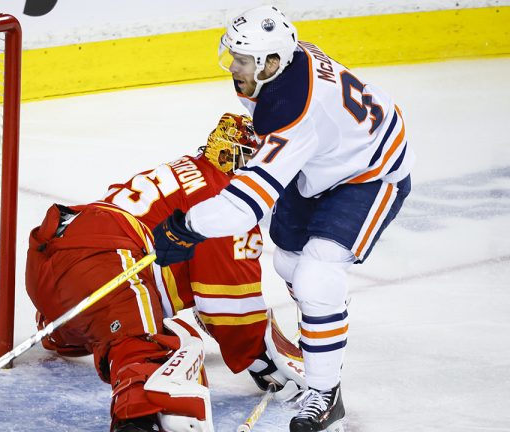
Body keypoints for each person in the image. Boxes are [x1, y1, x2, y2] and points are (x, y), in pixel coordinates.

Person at [151, 6, 414, 432]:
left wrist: (187, 227)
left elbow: (245, 205)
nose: (233, 66)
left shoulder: (294, 107)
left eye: (243, 59)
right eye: (232, 55)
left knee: (316, 276)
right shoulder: (280, 67)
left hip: (371, 173)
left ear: (272, 63)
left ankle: (326, 395)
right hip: (322, 163)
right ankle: (320, 326)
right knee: (288, 263)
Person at [25, 113, 304, 432]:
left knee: (114, 315)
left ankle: (61, 330)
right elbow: (231, 312)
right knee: (163, 352)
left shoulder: (190, 168)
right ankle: (138, 419)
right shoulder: (226, 207)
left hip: (56, 267)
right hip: (99, 261)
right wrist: (263, 359)